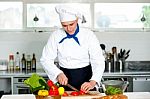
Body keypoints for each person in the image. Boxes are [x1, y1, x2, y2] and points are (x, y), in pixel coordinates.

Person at [40, 5, 105, 93]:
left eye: (71, 24)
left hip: (86, 78)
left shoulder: (88, 35)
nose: (68, 28)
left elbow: (98, 60)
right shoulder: (55, 35)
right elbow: (45, 59)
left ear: (77, 20)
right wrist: (58, 73)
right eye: (64, 25)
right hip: (64, 79)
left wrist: (93, 81)